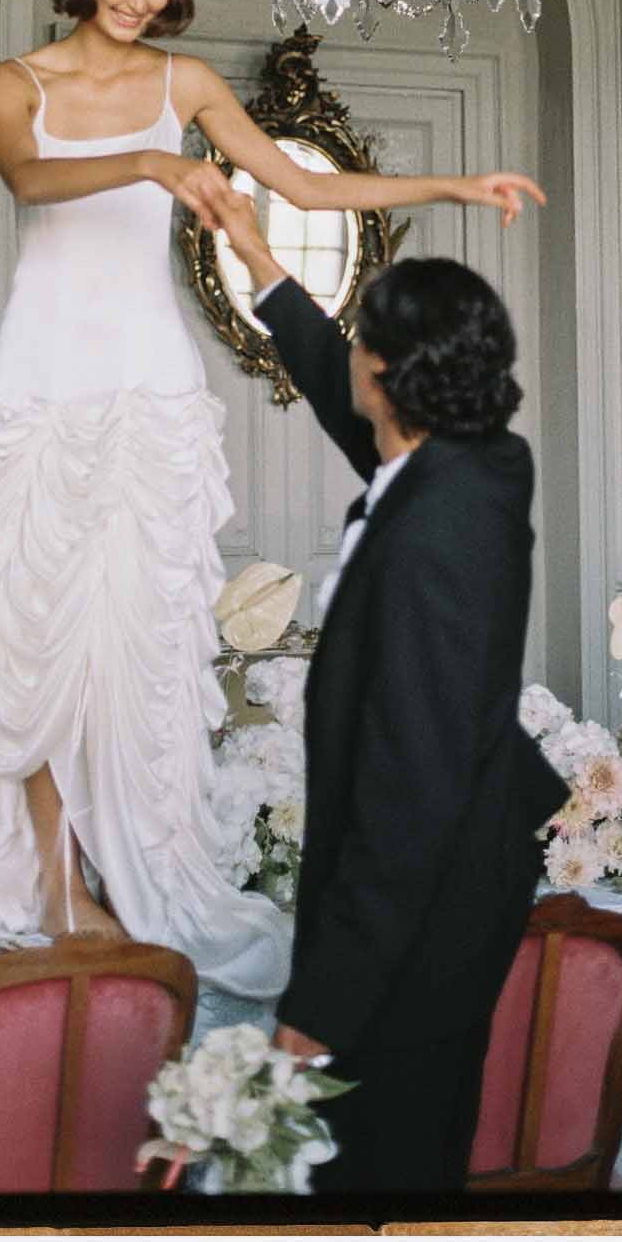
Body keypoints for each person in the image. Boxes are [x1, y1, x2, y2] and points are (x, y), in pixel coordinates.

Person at [0, 0, 544, 999]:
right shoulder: (13, 80)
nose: (139, 0)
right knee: (26, 637)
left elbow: (306, 184)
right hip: (44, 377)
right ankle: (51, 880)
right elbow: (28, 178)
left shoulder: (186, 82)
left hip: (149, 381)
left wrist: (454, 183)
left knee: (131, 640)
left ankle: (133, 873)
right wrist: (148, 164)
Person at [212, 183, 569, 1189]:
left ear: (391, 372)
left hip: (422, 925)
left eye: (361, 339)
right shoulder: (473, 459)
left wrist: (313, 1011)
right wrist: (258, 259)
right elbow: (339, 385)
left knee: (387, 1186)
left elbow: (407, 798)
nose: (353, 359)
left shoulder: (433, 538)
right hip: (458, 887)